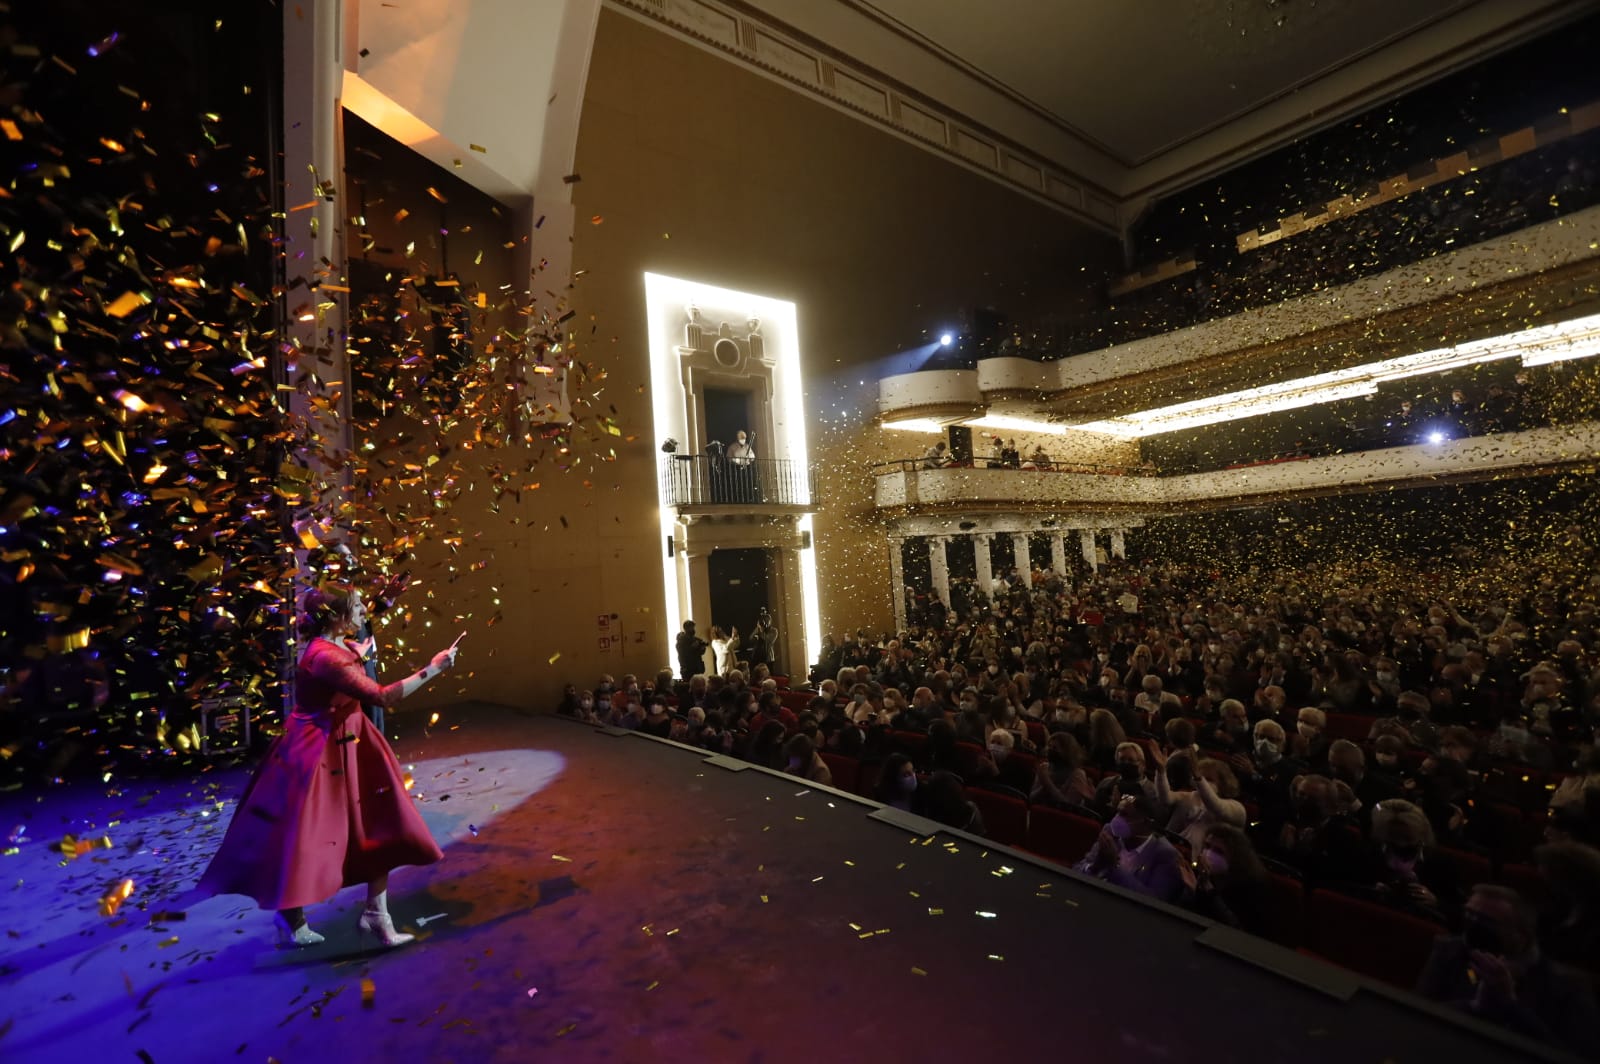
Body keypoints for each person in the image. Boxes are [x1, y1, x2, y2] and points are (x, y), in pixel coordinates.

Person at [195, 585, 459, 948]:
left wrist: (357, 654)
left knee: (379, 821)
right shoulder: (326, 657)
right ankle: (292, 916)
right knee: (306, 834)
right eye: (357, 606)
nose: (365, 611)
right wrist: (434, 668)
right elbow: (383, 697)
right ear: (336, 616)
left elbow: (347, 667)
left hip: (350, 741)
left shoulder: (336, 646)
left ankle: (375, 913)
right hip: (319, 749)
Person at [1417, 885, 1600, 1056]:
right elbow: (1420, 1012)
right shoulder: (1450, 951)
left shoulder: (1567, 986)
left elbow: (1574, 1055)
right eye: (1469, 915)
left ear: (1521, 936)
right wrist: (1473, 1007)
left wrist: (1511, 1007)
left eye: (1486, 922)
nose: (1472, 926)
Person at [1075, 794, 1187, 904]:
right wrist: (1095, 866)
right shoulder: (1110, 832)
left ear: (1146, 823)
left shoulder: (1165, 855)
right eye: (1117, 812)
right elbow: (1077, 870)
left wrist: (1114, 866)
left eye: (1124, 814)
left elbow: (1153, 901)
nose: (1117, 819)